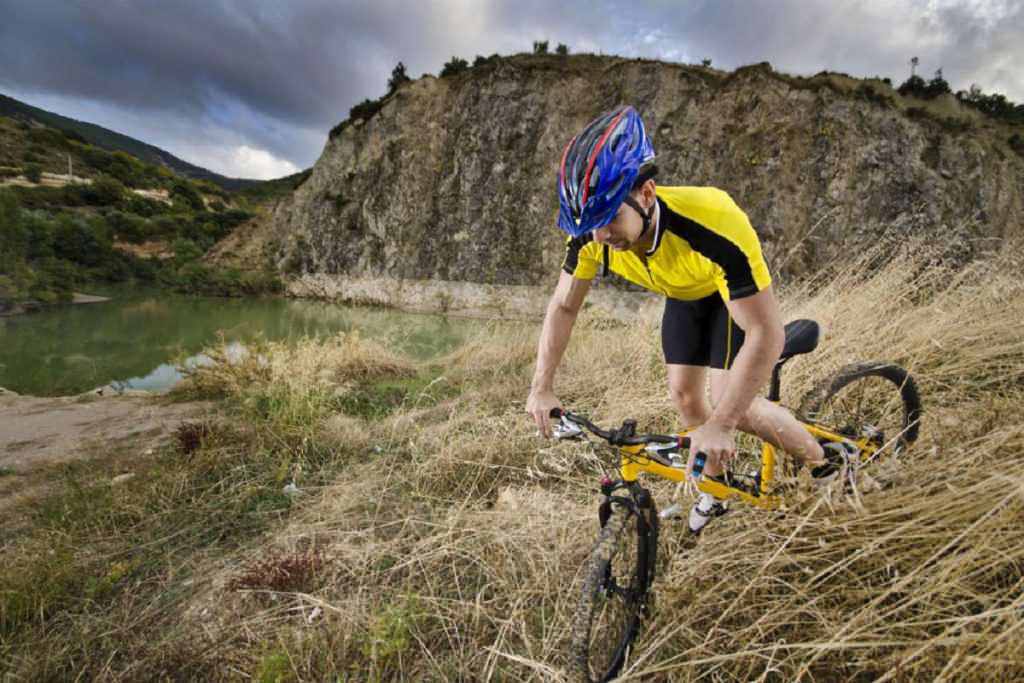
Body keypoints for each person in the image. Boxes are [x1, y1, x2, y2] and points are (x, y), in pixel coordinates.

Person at [525, 105, 848, 534]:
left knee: (738, 406)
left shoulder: (715, 223)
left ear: (646, 194)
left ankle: (829, 464)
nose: (601, 237)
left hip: (728, 297)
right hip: (683, 294)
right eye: (592, 224)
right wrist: (541, 386)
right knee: (685, 397)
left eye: (610, 220)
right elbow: (564, 306)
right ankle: (716, 490)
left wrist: (723, 423)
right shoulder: (590, 232)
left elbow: (764, 332)